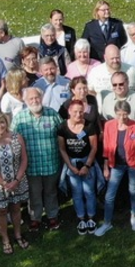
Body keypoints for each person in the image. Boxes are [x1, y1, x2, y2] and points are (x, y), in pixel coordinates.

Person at [0, 110, 30, 253]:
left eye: (2, 122)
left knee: (16, 208)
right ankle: (5, 239)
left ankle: (18, 235)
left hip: (17, 180)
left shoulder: (16, 137)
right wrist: (3, 183)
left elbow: (24, 159)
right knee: (1, 211)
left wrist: (16, 180)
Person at [12, 87, 62, 231]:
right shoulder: (19, 118)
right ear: (25, 101)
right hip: (31, 165)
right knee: (34, 193)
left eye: (37, 97)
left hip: (51, 163)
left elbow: (62, 133)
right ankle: (35, 218)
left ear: (41, 98)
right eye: (31, 98)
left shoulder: (52, 114)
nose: (34, 101)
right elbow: (12, 139)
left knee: (50, 191)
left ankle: (52, 215)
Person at [96, 99, 135, 237]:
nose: (122, 117)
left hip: (133, 164)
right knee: (110, 195)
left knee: (133, 191)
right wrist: (106, 167)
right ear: (115, 113)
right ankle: (107, 222)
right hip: (116, 165)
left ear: (129, 113)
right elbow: (106, 146)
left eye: (125, 114)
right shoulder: (109, 125)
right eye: (119, 114)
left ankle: (134, 216)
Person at [58, 99, 100, 235]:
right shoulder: (62, 127)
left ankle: (91, 217)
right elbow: (62, 149)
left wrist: (87, 165)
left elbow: (94, 147)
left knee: (89, 192)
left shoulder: (89, 126)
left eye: (81, 112)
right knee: (77, 193)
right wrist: (70, 166)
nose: (78, 114)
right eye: (75, 111)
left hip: (87, 163)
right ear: (69, 111)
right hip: (72, 164)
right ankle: (81, 218)